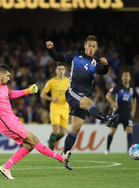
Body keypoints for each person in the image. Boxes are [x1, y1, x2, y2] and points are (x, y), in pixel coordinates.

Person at [0, 64, 71, 180]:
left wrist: (28, 91)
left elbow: (11, 94)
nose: (9, 78)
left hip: (13, 120)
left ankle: (6, 167)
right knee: (34, 140)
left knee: (29, 145)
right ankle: (61, 158)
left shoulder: (4, 86)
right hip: (7, 124)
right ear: (0, 75)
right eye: (8, 76)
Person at [46, 35, 119, 170]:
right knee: (88, 102)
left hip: (82, 97)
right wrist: (51, 50)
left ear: (96, 48)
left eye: (94, 46)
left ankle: (64, 155)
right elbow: (58, 57)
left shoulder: (96, 62)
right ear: (85, 45)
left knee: (76, 128)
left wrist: (106, 64)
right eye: (89, 45)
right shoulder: (76, 55)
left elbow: (104, 71)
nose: (91, 48)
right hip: (73, 92)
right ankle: (105, 118)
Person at [105, 70, 137, 154]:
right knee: (112, 131)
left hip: (127, 113)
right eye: (124, 76)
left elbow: (134, 99)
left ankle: (130, 150)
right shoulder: (118, 87)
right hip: (117, 113)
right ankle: (107, 149)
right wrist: (113, 103)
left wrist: (133, 110)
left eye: (127, 76)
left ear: (130, 78)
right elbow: (108, 95)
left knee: (129, 130)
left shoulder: (132, 89)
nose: (126, 77)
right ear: (122, 77)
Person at [41, 63, 69, 150]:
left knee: (63, 133)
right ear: (56, 71)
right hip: (55, 107)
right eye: (59, 69)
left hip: (65, 107)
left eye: (62, 69)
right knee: (55, 128)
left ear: (65, 71)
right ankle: (50, 151)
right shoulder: (51, 82)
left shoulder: (69, 81)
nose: (61, 71)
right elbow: (42, 95)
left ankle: (51, 141)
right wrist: (52, 99)